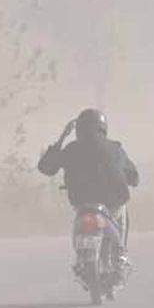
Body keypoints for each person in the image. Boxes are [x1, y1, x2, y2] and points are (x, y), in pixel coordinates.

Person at [38, 108, 139, 259]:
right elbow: (134, 178)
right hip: (112, 203)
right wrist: (126, 178)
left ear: (79, 129)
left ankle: (84, 256)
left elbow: (46, 168)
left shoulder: (71, 149)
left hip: (82, 204)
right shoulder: (115, 148)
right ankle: (121, 252)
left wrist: (61, 139)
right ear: (103, 128)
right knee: (123, 207)